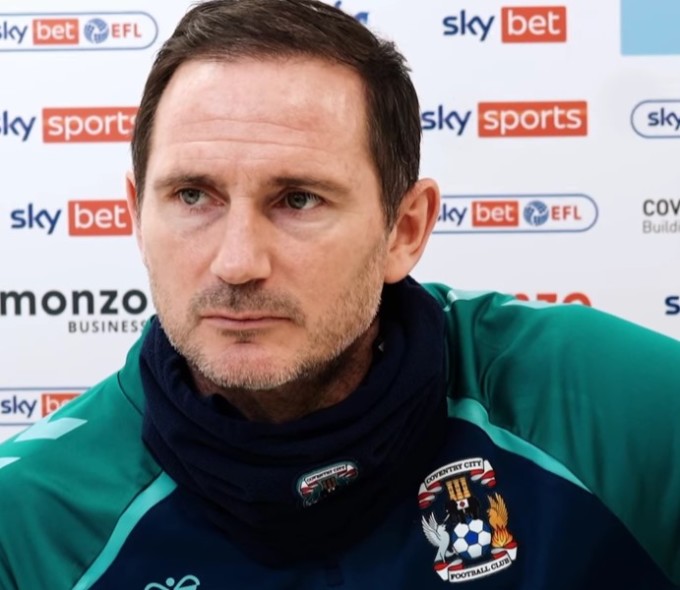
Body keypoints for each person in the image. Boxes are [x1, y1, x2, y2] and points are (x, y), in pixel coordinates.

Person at [0, 1, 678, 588]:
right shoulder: (28, 517)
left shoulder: (613, 410)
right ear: (136, 216)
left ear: (404, 230)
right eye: (193, 196)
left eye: (298, 199)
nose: (237, 263)